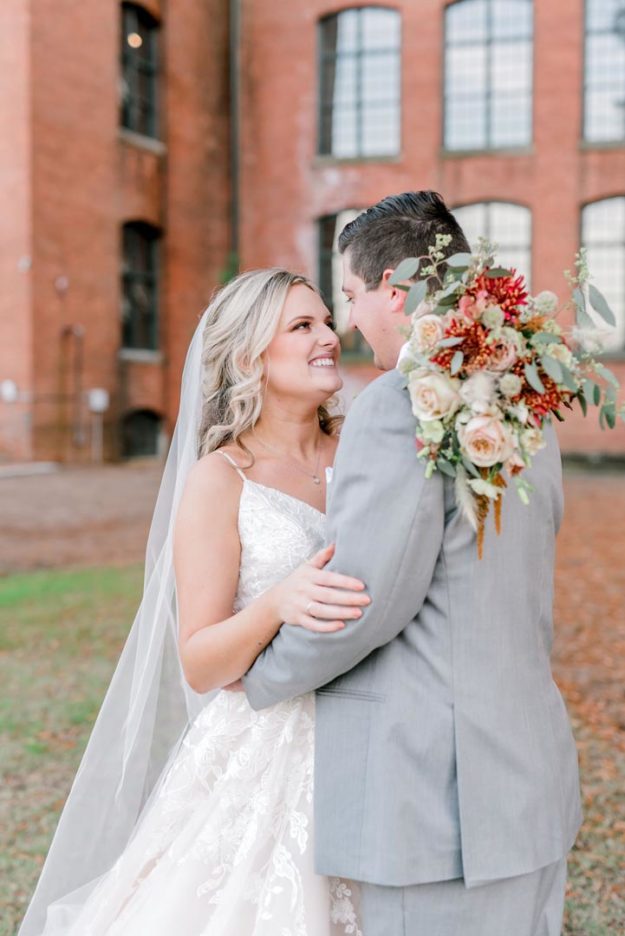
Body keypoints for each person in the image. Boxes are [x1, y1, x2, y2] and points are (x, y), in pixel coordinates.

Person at [242, 192, 583, 936]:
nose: (349, 322)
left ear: (394, 290)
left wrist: (255, 679)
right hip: (527, 783)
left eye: (351, 297)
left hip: (433, 799)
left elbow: (365, 598)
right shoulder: (525, 396)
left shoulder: (398, 403)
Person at [18, 268, 368, 935]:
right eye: (302, 326)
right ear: (249, 357)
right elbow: (202, 662)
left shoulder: (366, 448)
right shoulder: (221, 479)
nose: (329, 336)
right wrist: (277, 603)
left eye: (327, 320)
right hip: (270, 745)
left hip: (376, 722)